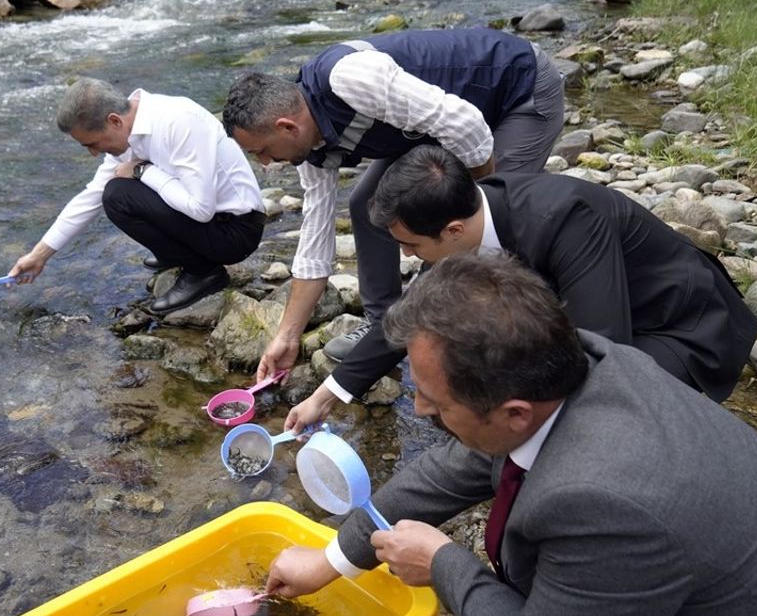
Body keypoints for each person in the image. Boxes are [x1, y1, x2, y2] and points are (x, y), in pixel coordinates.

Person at [266, 254, 757, 616]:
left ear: (514, 412)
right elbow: (464, 463)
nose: (419, 411)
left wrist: (443, 562)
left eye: (437, 405)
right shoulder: (588, 361)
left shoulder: (607, 504)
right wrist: (331, 560)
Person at [283, 145, 757, 432]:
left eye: (409, 246)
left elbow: (604, 345)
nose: (406, 257)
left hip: (679, 325)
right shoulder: (469, 222)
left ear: (451, 231)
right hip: (605, 315)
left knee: (586, 412)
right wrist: (324, 397)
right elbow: (409, 315)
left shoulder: (566, 218)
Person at [222, 27, 564, 369]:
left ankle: (517, 331)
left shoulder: (350, 80)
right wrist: (287, 335)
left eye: (262, 151)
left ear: (286, 127)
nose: (264, 163)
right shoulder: (309, 151)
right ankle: (385, 326)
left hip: (518, 91)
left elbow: (467, 127)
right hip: (443, 121)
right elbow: (314, 243)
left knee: (481, 220)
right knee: (365, 204)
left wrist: (470, 206)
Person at [8, 78, 266, 313]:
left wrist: (143, 170)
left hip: (236, 231)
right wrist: (39, 255)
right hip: (210, 223)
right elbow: (90, 197)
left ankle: (204, 273)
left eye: (92, 144)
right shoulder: (127, 134)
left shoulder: (178, 121)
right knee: (111, 192)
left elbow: (201, 209)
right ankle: (177, 254)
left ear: (114, 121)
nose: (94, 153)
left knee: (119, 194)